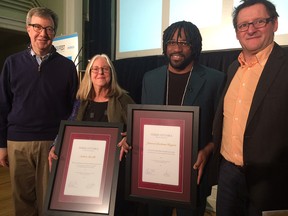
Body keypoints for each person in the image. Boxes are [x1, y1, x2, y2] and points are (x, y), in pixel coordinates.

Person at [210, 0, 288, 215]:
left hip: (270, 180)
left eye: (259, 21)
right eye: (243, 25)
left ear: (275, 24)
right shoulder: (233, 67)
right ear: (237, 32)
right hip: (228, 174)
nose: (251, 29)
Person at [141, 21, 226, 216]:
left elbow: (222, 129)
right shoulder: (150, 78)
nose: (176, 48)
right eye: (171, 42)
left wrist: (207, 149)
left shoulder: (215, 80)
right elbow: (144, 123)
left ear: (194, 46)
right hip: (155, 173)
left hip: (193, 173)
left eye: (184, 43)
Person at [0, 7, 78, 216]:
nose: (43, 33)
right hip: (17, 143)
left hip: (51, 145)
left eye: (49, 29)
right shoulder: (11, 63)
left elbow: (74, 108)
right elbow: (3, 106)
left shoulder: (67, 67)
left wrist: (63, 142)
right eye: (37, 27)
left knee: (49, 202)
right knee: (22, 201)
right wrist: (1, 145)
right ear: (28, 29)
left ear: (54, 33)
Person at [48, 53, 137, 216]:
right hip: (86, 171)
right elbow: (70, 126)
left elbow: (139, 126)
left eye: (105, 69)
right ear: (89, 74)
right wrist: (56, 144)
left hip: (114, 174)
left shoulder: (123, 99)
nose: (100, 72)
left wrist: (128, 137)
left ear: (111, 73)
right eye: (95, 69)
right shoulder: (81, 101)